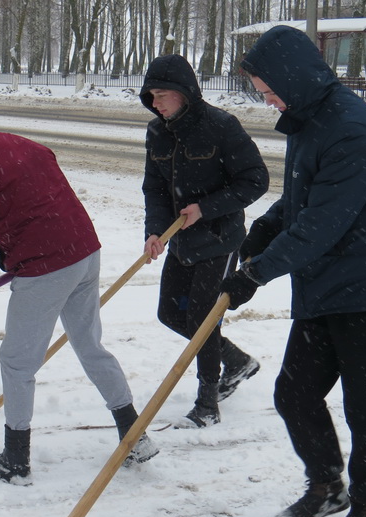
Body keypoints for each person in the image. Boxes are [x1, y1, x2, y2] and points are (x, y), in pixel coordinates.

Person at [0, 96, 158, 485]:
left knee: (17, 362)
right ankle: (134, 435)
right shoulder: (18, 144)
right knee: (89, 346)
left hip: (47, 267)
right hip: (84, 252)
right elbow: (38, 200)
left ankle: (15, 461)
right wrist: (12, 247)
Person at [220, 25, 366, 517]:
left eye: (268, 88)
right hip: (325, 286)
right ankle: (327, 484)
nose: (266, 98)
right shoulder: (313, 120)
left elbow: (323, 223)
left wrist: (255, 273)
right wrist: (271, 222)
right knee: (294, 394)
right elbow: (304, 196)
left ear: (293, 75)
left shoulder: (355, 131)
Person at [139, 54, 269, 428]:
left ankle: (208, 403)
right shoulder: (157, 131)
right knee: (170, 313)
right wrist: (153, 229)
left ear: (184, 92)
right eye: (151, 96)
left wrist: (206, 208)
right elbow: (155, 187)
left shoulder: (221, 126)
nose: (156, 102)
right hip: (179, 240)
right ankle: (237, 360)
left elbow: (255, 180)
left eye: (162, 94)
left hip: (219, 237)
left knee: (202, 317)